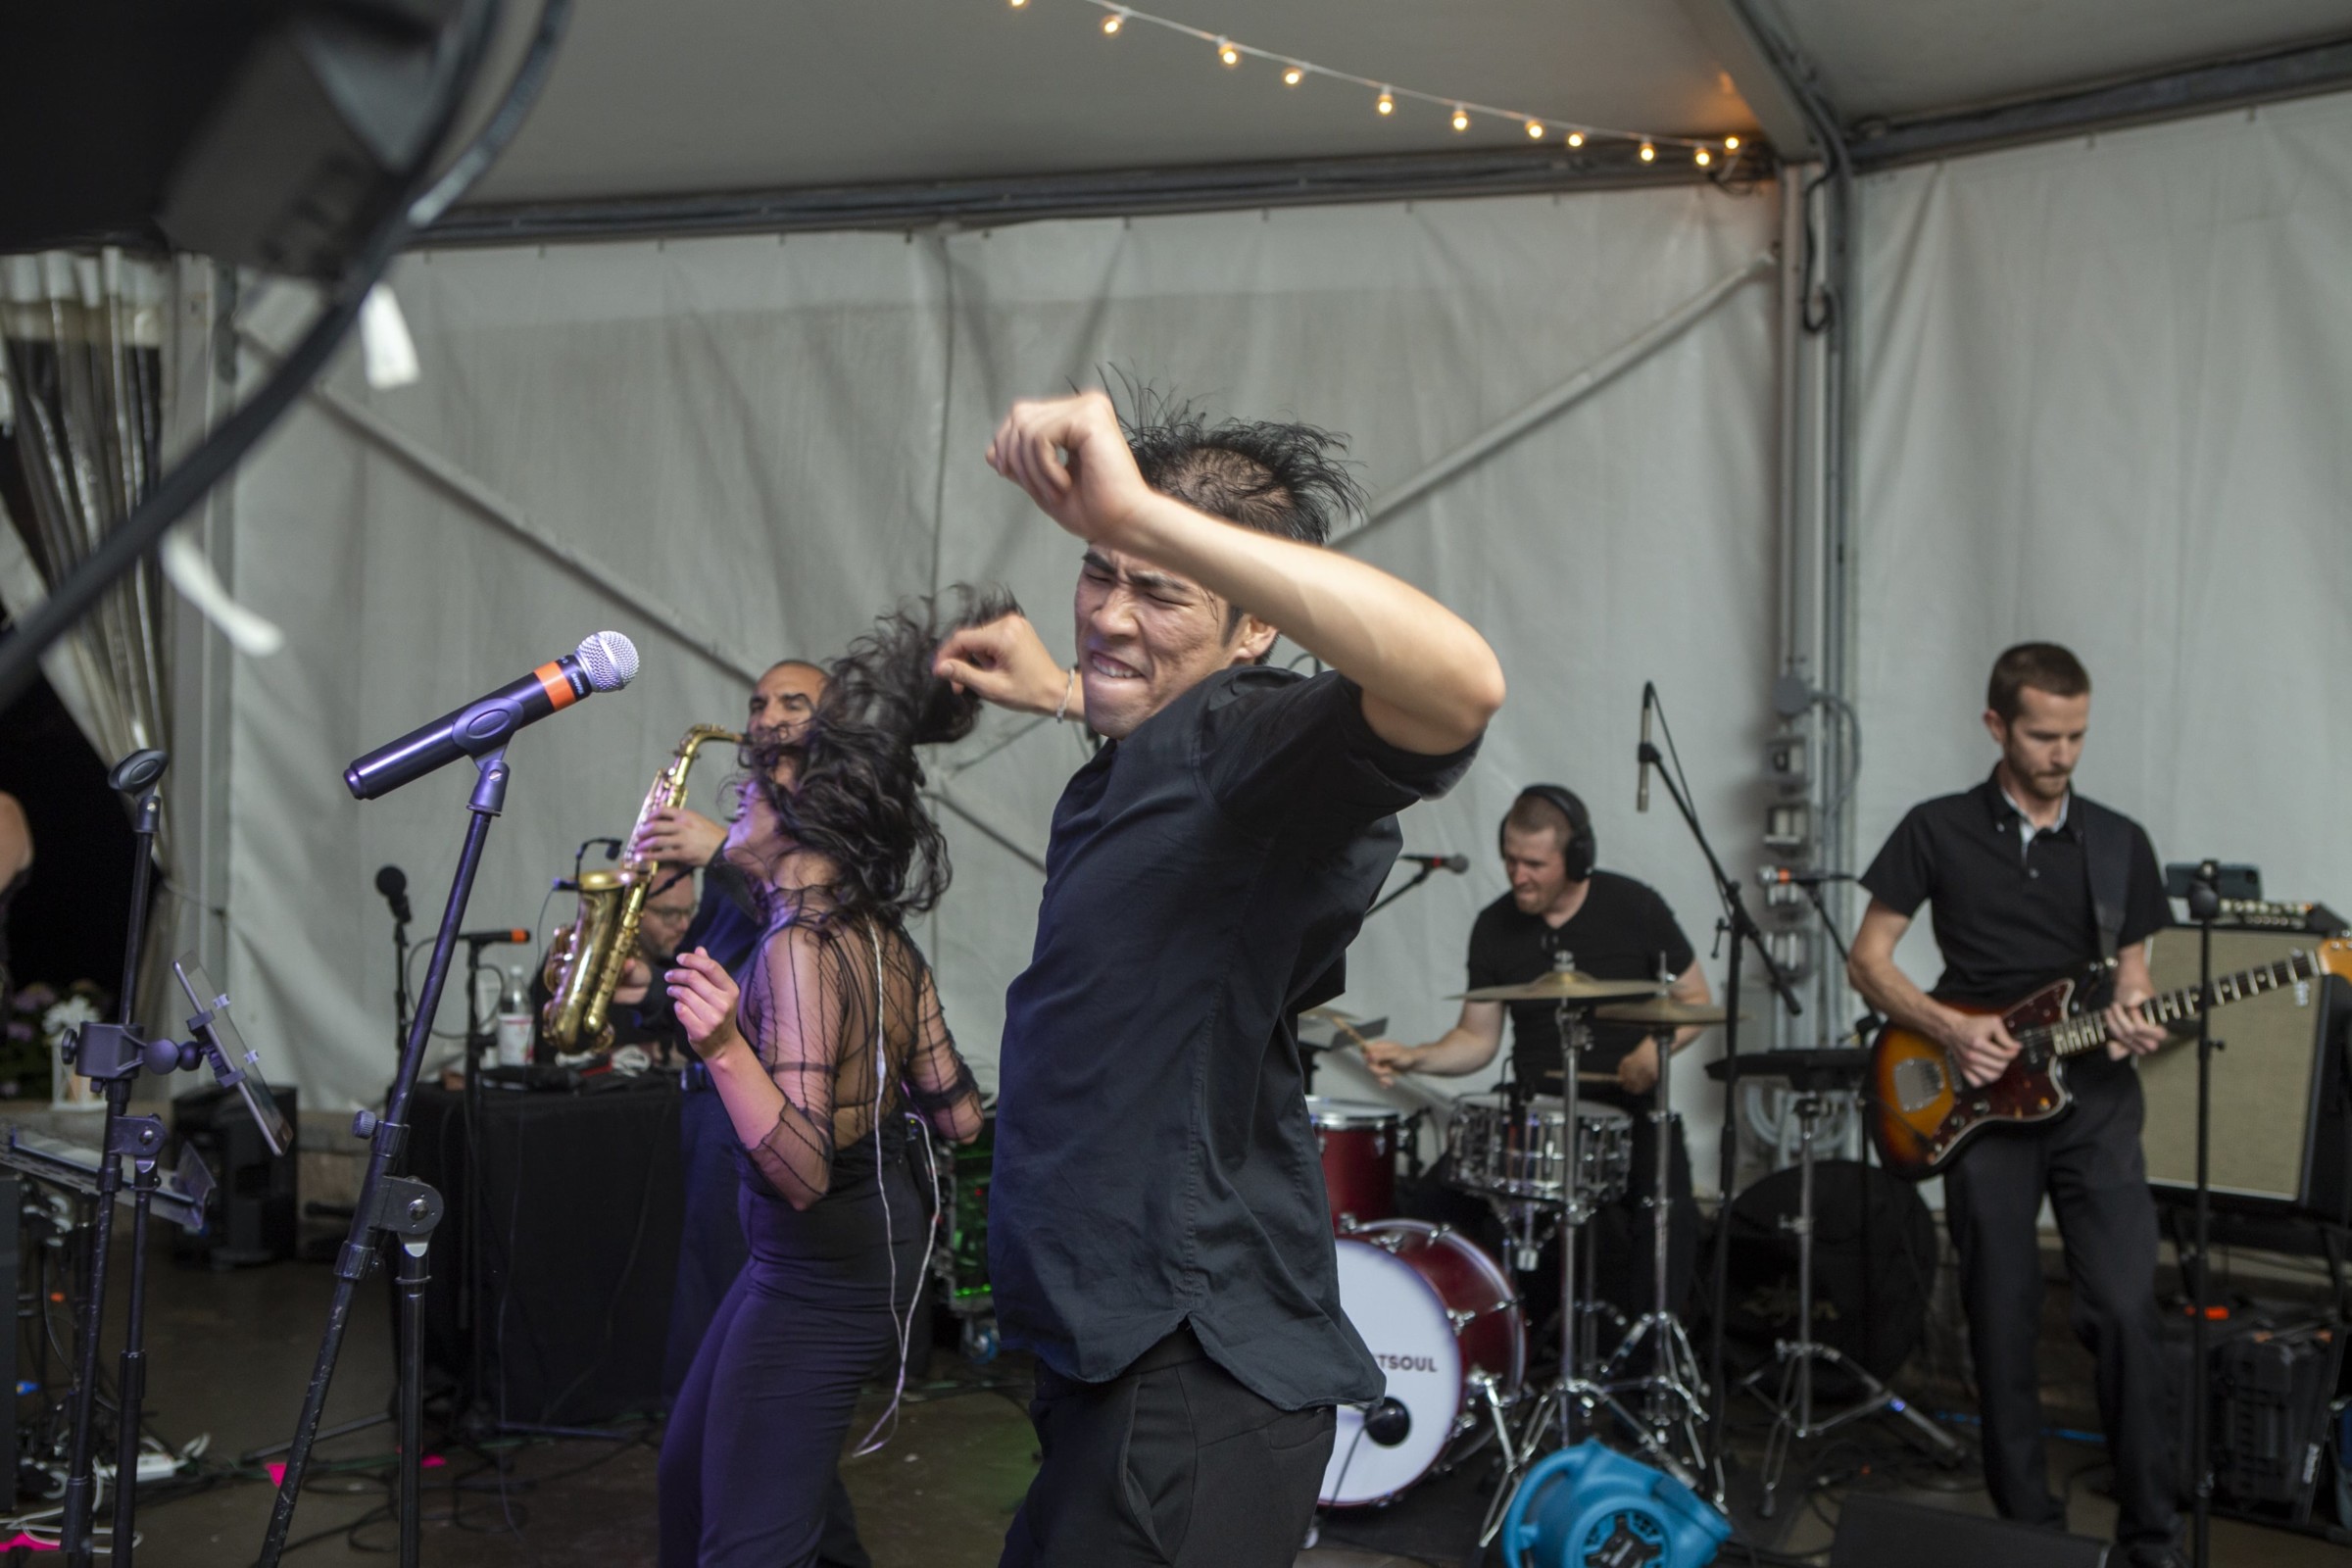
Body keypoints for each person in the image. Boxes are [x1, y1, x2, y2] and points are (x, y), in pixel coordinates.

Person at [932, 389, 1503, 1567]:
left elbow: (1461, 685)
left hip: (1190, 1379)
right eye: (1098, 571)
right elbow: (1176, 778)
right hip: (1111, 1369)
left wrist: (1140, 515)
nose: (1108, 613)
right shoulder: (1165, 752)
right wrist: (1067, 689)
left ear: (1253, 635)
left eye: (1161, 590)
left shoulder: (1250, 737)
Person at [658, 601, 988, 1568]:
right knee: (690, 1473)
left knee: (748, 1544)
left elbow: (800, 1172)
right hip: (839, 1256)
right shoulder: (879, 935)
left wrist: (725, 1045)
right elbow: (961, 1117)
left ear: (797, 818)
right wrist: (865, 1074)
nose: (738, 805)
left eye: (754, 794)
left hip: (822, 1268)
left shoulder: (797, 946)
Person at [1846, 642, 2178, 1568]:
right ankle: (2031, 1536)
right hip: (1983, 1102)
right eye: (2042, 736)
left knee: (2125, 1309)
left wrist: (2134, 1014)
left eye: (2076, 736)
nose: (2062, 754)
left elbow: (2135, 974)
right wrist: (1949, 1027)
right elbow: (1869, 960)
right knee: (1999, 1314)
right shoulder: (1937, 828)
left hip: (2094, 1101)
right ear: (1997, 726)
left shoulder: (2118, 842)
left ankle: (2153, 1538)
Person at [1362, 785, 1712, 1333]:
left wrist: (1653, 1048)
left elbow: (1695, 999)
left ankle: (1647, 1357)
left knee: (1668, 1215)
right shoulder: (1494, 925)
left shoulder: (1635, 908)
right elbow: (1476, 1039)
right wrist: (1414, 1057)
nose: (1518, 875)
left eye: (1534, 864)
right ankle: (1468, 1343)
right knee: (1430, 1201)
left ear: (1577, 858)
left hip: (1626, 1109)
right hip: (1531, 1113)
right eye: (1510, 859)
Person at [633, 661, 831, 1404]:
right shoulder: (753, 809)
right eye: (758, 702)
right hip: (706, 1097)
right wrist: (645, 988)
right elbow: (723, 961)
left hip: (765, 1097)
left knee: (735, 1297)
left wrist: (722, 850)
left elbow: (818, 911)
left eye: (792, 702)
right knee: (704, 1282)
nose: (766, 715)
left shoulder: (835, 816)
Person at [531, 861, 698, 1062]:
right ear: (635, 907)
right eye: (669, 914)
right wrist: (651, 1052)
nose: (684, 925)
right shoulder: (576, 959)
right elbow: (551, 1057)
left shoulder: (687, 961)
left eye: (689, 911)